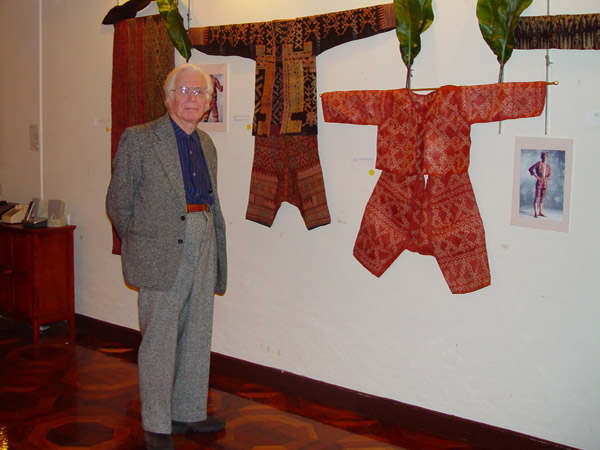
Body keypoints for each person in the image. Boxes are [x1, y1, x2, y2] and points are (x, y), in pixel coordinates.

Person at [106, 63, 227, 450]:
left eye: (200, 93)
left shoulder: (206, 143)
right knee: (159, 338)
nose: (192, 99)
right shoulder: (140, 139)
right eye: (185, 91)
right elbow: (118, 202)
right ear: (168, 96)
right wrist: (143, 242)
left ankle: (188, 411)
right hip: (161, 248)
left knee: (196, 331)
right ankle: (157, 423)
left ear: (208, 103)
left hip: (203, 239)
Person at [528, 151, 551, 218]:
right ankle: (535, 213)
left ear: (547, 157)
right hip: (539, 182)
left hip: (545, 183)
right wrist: (536, 176)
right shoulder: (539, 163)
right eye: (543, 156)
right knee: (537, 197)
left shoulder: (547, 166)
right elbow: (530, 169)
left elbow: (549, 174)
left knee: (542, 198)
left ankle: (540, 212)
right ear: (541, 157)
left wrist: (547, 178)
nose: (545, 157)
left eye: (546, 156)